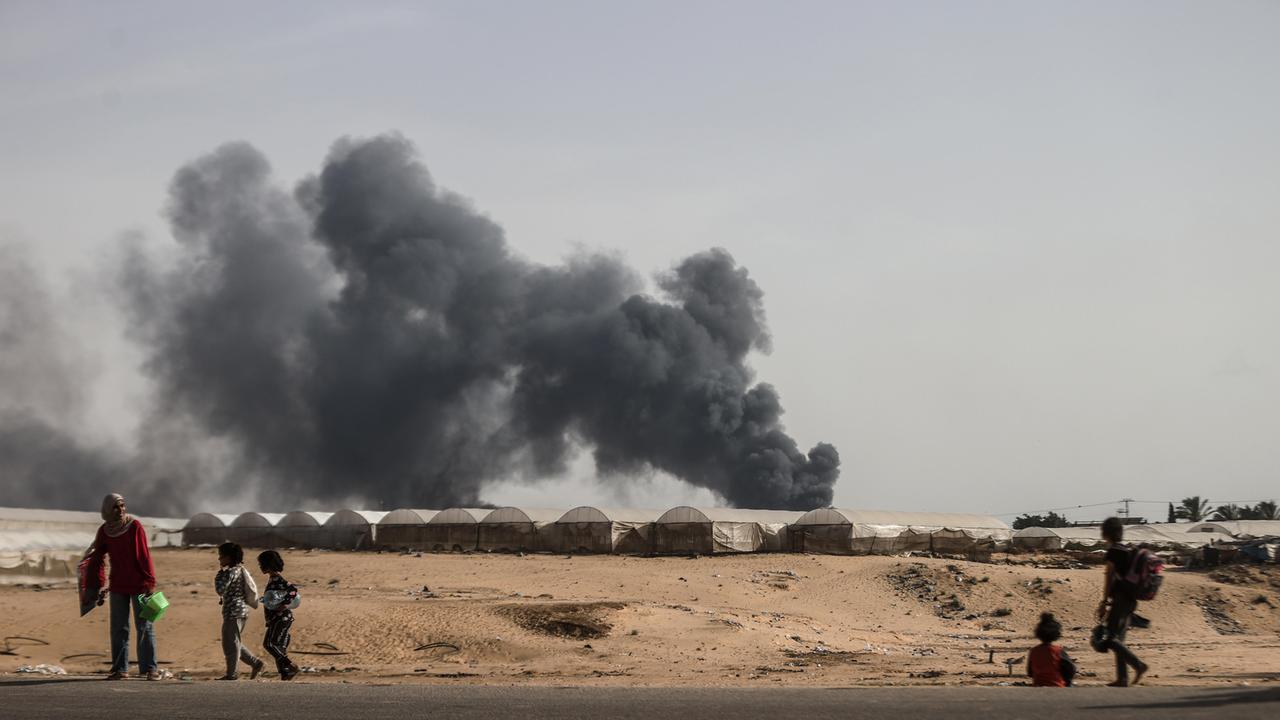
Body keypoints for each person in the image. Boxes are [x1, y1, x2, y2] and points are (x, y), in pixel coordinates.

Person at [85, 493, 159, 680]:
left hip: (140, 585)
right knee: (119, 628)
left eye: (123, 506)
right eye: (116, 507)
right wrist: (96, 585)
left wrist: (150, 582)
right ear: (108, 510)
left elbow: (144, 556)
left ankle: (150, 669)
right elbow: (97, 558)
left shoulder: (134, 527)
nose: (121, 510)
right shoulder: (105, 531)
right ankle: (120, 669)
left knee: (145, 627)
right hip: (118, 585)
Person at [1096, 517, 1149, 686]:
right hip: (1131, 599)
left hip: (1120, 599)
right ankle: (1122, 678)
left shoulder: (1113, 552)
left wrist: (1104, 602)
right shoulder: (1127, 551)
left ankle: (1138, 665)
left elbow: (1109, 577)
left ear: (1106, 533)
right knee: (1119, 639)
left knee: (1110, 639)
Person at [215, 542, 264, 680]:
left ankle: (232, 673)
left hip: (234, 611)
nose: (219, 559)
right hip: (239, 610)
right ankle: (255, 663)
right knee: (232, 641)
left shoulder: (230, 572)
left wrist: (219, 575)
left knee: (231, 643)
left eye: (221, 556)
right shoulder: (239, 569)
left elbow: (220, 589)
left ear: (229, 557)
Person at [257, 550, 300, 680]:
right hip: (277, 618)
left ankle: (290, 665)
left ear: (267, 564)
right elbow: (276, 597)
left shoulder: (278, 579)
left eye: (261, 564)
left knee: (269, 644)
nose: (260, 567)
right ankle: (285, 673)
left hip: (281, 618)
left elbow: (292, 591)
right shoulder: (273, 579)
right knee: (279, 646)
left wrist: (285, 604)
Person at [1027, 612, 1076, 687]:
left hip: (1038, 686)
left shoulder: (1034, 651)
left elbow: (1030, 672)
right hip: (1056, 685)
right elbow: (1071, 669)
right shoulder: (1058, 651)